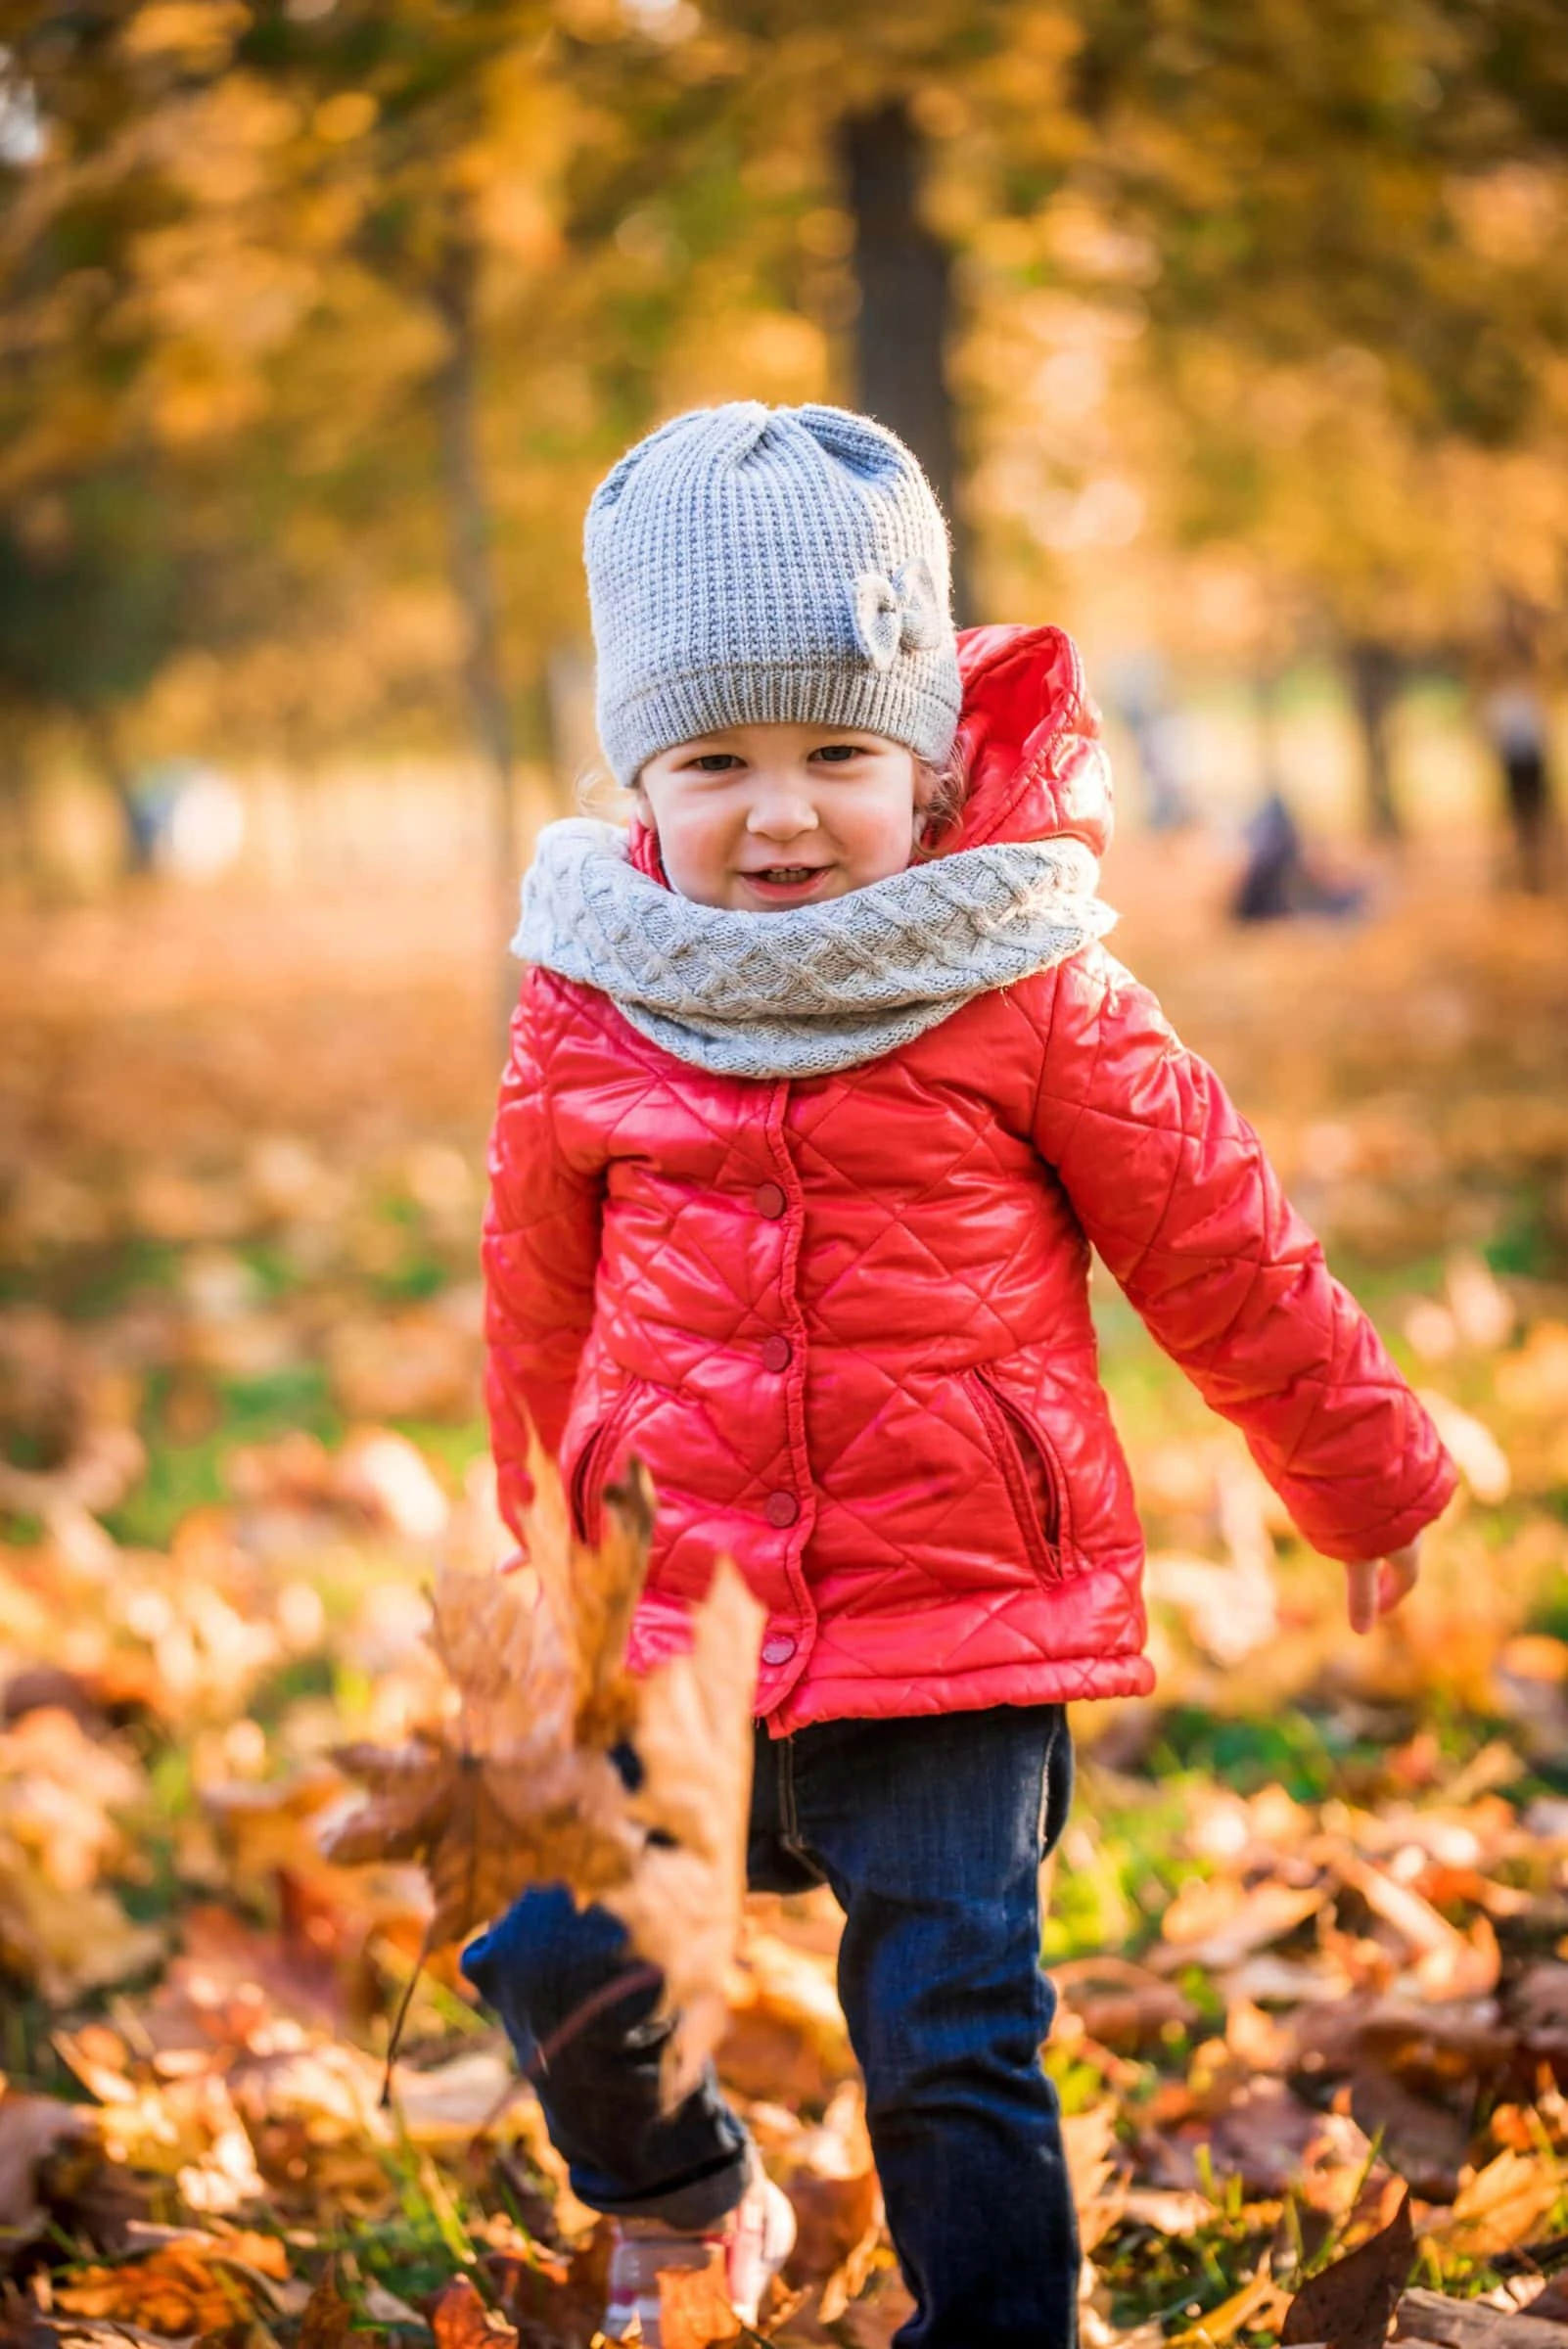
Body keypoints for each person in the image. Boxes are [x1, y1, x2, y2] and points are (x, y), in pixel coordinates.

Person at [462, 403, 1457, 2349]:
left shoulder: (1031, 980)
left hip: (962, 1626)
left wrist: (1367, 1479)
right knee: (564, 1953)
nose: (780, 812)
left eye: (838, 753)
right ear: (639, 778)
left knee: (946, 2043)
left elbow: (1224, 1249)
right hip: (692, 1630)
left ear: (924, 770)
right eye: (717, 760)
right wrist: (537, 1562)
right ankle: (688, 2196)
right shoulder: (591, 997)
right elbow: (537, 1307)